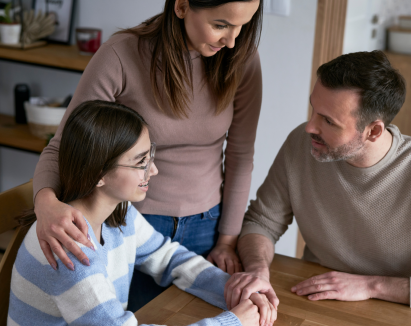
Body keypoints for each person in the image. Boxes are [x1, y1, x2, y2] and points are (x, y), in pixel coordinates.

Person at [224, 50, 411, 316]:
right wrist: (257, 269)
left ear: (373, 131)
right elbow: (261, 222)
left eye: (328, 121)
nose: (310, 127)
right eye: (313, 110)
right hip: (312, 297)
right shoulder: (301, 143)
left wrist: (371, 285)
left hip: (396, 312)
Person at [32, 0, 265, 311]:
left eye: (243, 26)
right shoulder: (122, 54)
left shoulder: (240, 58)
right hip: (130, 223)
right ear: (181, 6)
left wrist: (227, 240)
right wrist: (45, 203)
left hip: (209, 226)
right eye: (221, 25)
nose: (233, 40)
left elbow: (240, 155)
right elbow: (64, 146)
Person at [9, 100, 277, 326]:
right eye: (140, 162)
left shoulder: (119, 213)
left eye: (150, 156)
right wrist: (232, 321)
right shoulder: (69, 248)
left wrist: (234, 289)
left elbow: (169, 257)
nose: (153, 170)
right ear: (98, 174)